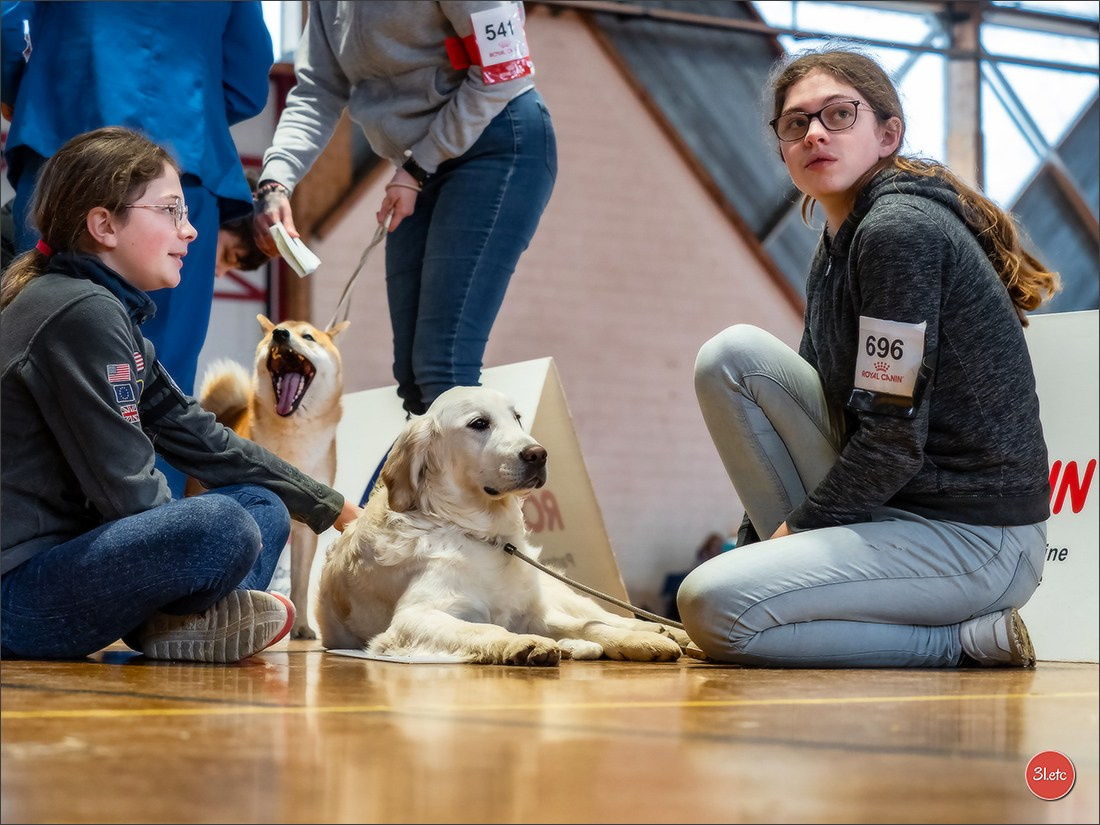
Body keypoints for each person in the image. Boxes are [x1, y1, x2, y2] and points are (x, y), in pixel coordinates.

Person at [677, 48, 1059, 669]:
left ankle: (963, 643)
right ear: (783, 149)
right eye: (796, 123)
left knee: (714, 607)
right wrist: (752, 547)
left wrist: (787, 541)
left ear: (887, 135)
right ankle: (771, 591)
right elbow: (788, 430)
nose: (815, 133)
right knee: (732, 356)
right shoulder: (835, 246)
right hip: (891, 510)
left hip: (978, 540)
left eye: (838, 114)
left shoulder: (896, 232)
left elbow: (892, 442)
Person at [0, 127, 361, 663]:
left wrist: (331, 507)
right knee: (225, 525)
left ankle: (181, 626)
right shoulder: (81, 312)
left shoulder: (101, 310)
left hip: (58, 572)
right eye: (171, 211)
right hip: (18, 596)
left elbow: (204, 439)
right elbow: (128, 494)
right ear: (104, 225)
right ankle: (183, 622)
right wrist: (191, 548)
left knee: (263, 503)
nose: (190, 231)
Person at [0, 0, 274, 496]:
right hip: (183, 150)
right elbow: (248, 78)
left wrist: (32, 87)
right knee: (163, 381)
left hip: (64, 129)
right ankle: (155, 535)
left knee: (34, 344)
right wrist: (187, 106)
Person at [254, 0, 557, 418]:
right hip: (419, 162)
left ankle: (491, 460)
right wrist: (275, 181)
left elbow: (505, 71)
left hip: (495, 143)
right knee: (413, 380)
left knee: (443, 363)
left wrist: (416, 168)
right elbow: (317, 90)